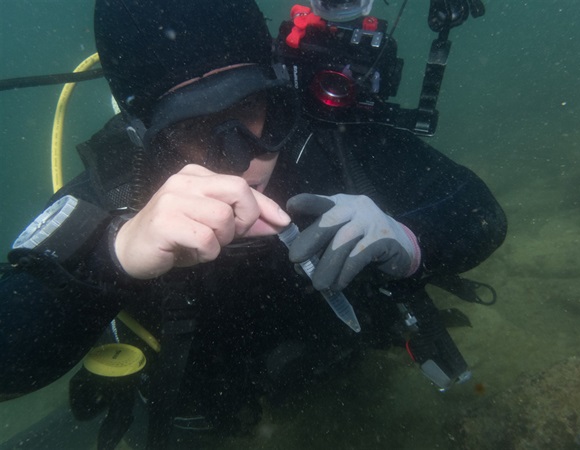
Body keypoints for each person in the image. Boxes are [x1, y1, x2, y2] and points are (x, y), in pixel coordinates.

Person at [0, 0, 506, 448]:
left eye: (250, 108)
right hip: (203, 411)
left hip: (345, 374)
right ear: (144, 137)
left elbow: (480, 213)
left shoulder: (328, 133)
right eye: (190, 128)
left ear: (280, 94)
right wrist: (113, 254)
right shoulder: (118, 182)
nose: (237, 161)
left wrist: (409, 240)